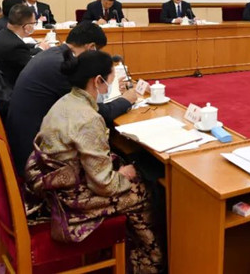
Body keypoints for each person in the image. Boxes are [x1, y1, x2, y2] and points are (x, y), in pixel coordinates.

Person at [24, 50, 163, 273]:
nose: (109, 86)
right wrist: (123, 175)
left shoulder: (65, 101)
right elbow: (104, 184)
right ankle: (148, 262)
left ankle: (127, 250)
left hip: (52, 181)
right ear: (97, 81)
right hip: (67, 198)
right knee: (142, 190)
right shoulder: (88, 119)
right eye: (109, 80)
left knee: (123, 164)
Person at [6, 22, 136, 174]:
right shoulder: (63, 67)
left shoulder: (55, 54)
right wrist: (125, 100)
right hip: (36, 157)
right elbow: (93, 111)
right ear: (91, 48)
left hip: (28, 137)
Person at [0, 4, 50, 87]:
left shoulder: (3, 33)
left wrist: (37, 47)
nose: (34, 26)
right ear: (27, 26)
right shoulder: (15, 45)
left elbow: (22, 50)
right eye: (34, 23)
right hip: (10, 87)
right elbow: (33, 69)